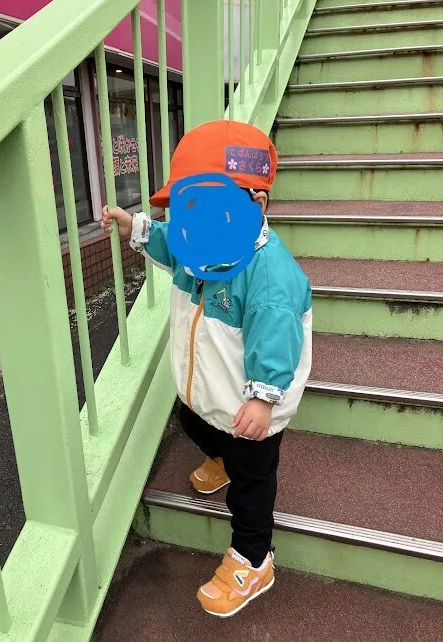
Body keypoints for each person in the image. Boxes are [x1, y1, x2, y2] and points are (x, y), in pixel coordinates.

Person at [101, 120, 312, 617]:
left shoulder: (269, 275)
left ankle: (254, 558)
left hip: (252, 408)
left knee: (251, 483)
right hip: (209, 394)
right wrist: (138, 230)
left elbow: (276, 341)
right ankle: (220, 457)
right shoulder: (201, 242)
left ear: (255, 205)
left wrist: (263, 399)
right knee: (191, 421)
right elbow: (171, 243)